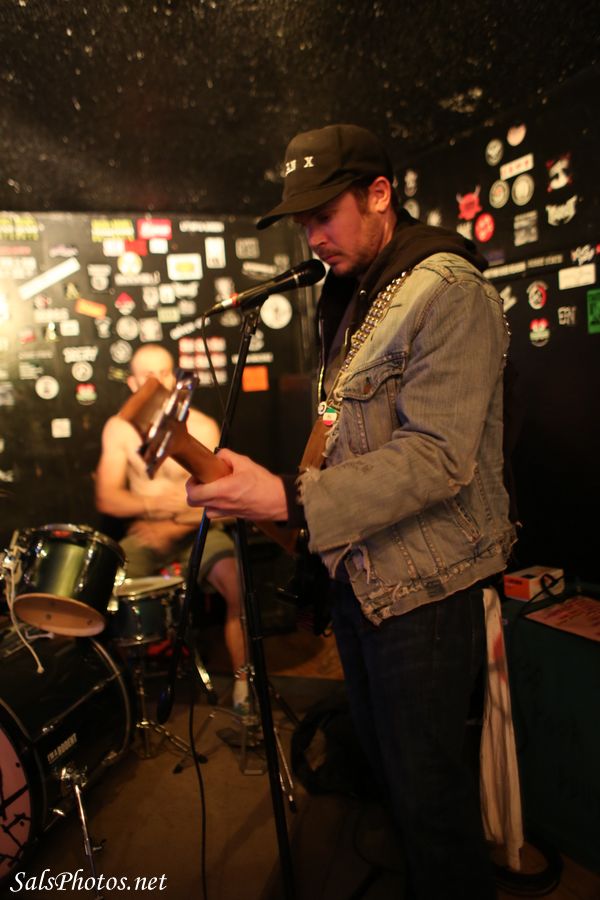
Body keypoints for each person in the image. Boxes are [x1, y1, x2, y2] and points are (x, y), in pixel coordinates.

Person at [185, 124, 517, 898]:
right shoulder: (359, 296)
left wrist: (289, 496)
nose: (312, 237)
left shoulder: (450, 290)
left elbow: (438, 456)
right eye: (302, 222)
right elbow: (346, 433)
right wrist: (285, 496)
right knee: (393, 785)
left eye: (323, 215)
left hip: (426, 596)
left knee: (434, 808)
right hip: (364, 581)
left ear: (379, 194)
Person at [95, 343, 249, 713]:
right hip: (145, 536)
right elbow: (108, 499)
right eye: (146, 375)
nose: (155, 382)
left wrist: (173, 526)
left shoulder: (201, 426)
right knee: (101, 590)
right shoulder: (119, 429)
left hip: (199, 531)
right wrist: (158, 507)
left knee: (238, 586)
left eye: (163, 373)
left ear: (176, 378)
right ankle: (118, 697)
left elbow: (225, 505)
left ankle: (244, 684)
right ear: (133, 383)